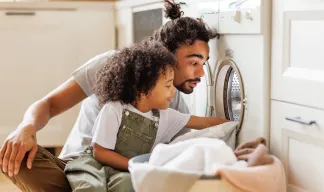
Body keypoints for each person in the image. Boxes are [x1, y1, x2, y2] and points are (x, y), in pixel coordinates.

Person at [0, 0, 271, 191]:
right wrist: (26, 127)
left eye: (205, 62)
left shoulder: (172, 103)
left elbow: (180, 150)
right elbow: (48, 104)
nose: (201, 72)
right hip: (75, 168)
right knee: (16, 158)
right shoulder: (112, 66)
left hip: (121, 178)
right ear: (167, 54)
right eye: (193, 61)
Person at [64, 40, 228, 192]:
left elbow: (205, 122)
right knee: (91, 187)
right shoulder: (114, 110)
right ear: (143, 90)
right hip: (96, 165)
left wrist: (237, 124)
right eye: (168, 85)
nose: (173, 91)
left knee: (127, 184)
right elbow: (99, 152)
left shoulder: (166, 116)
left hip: (125, 170)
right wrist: (133, 165)